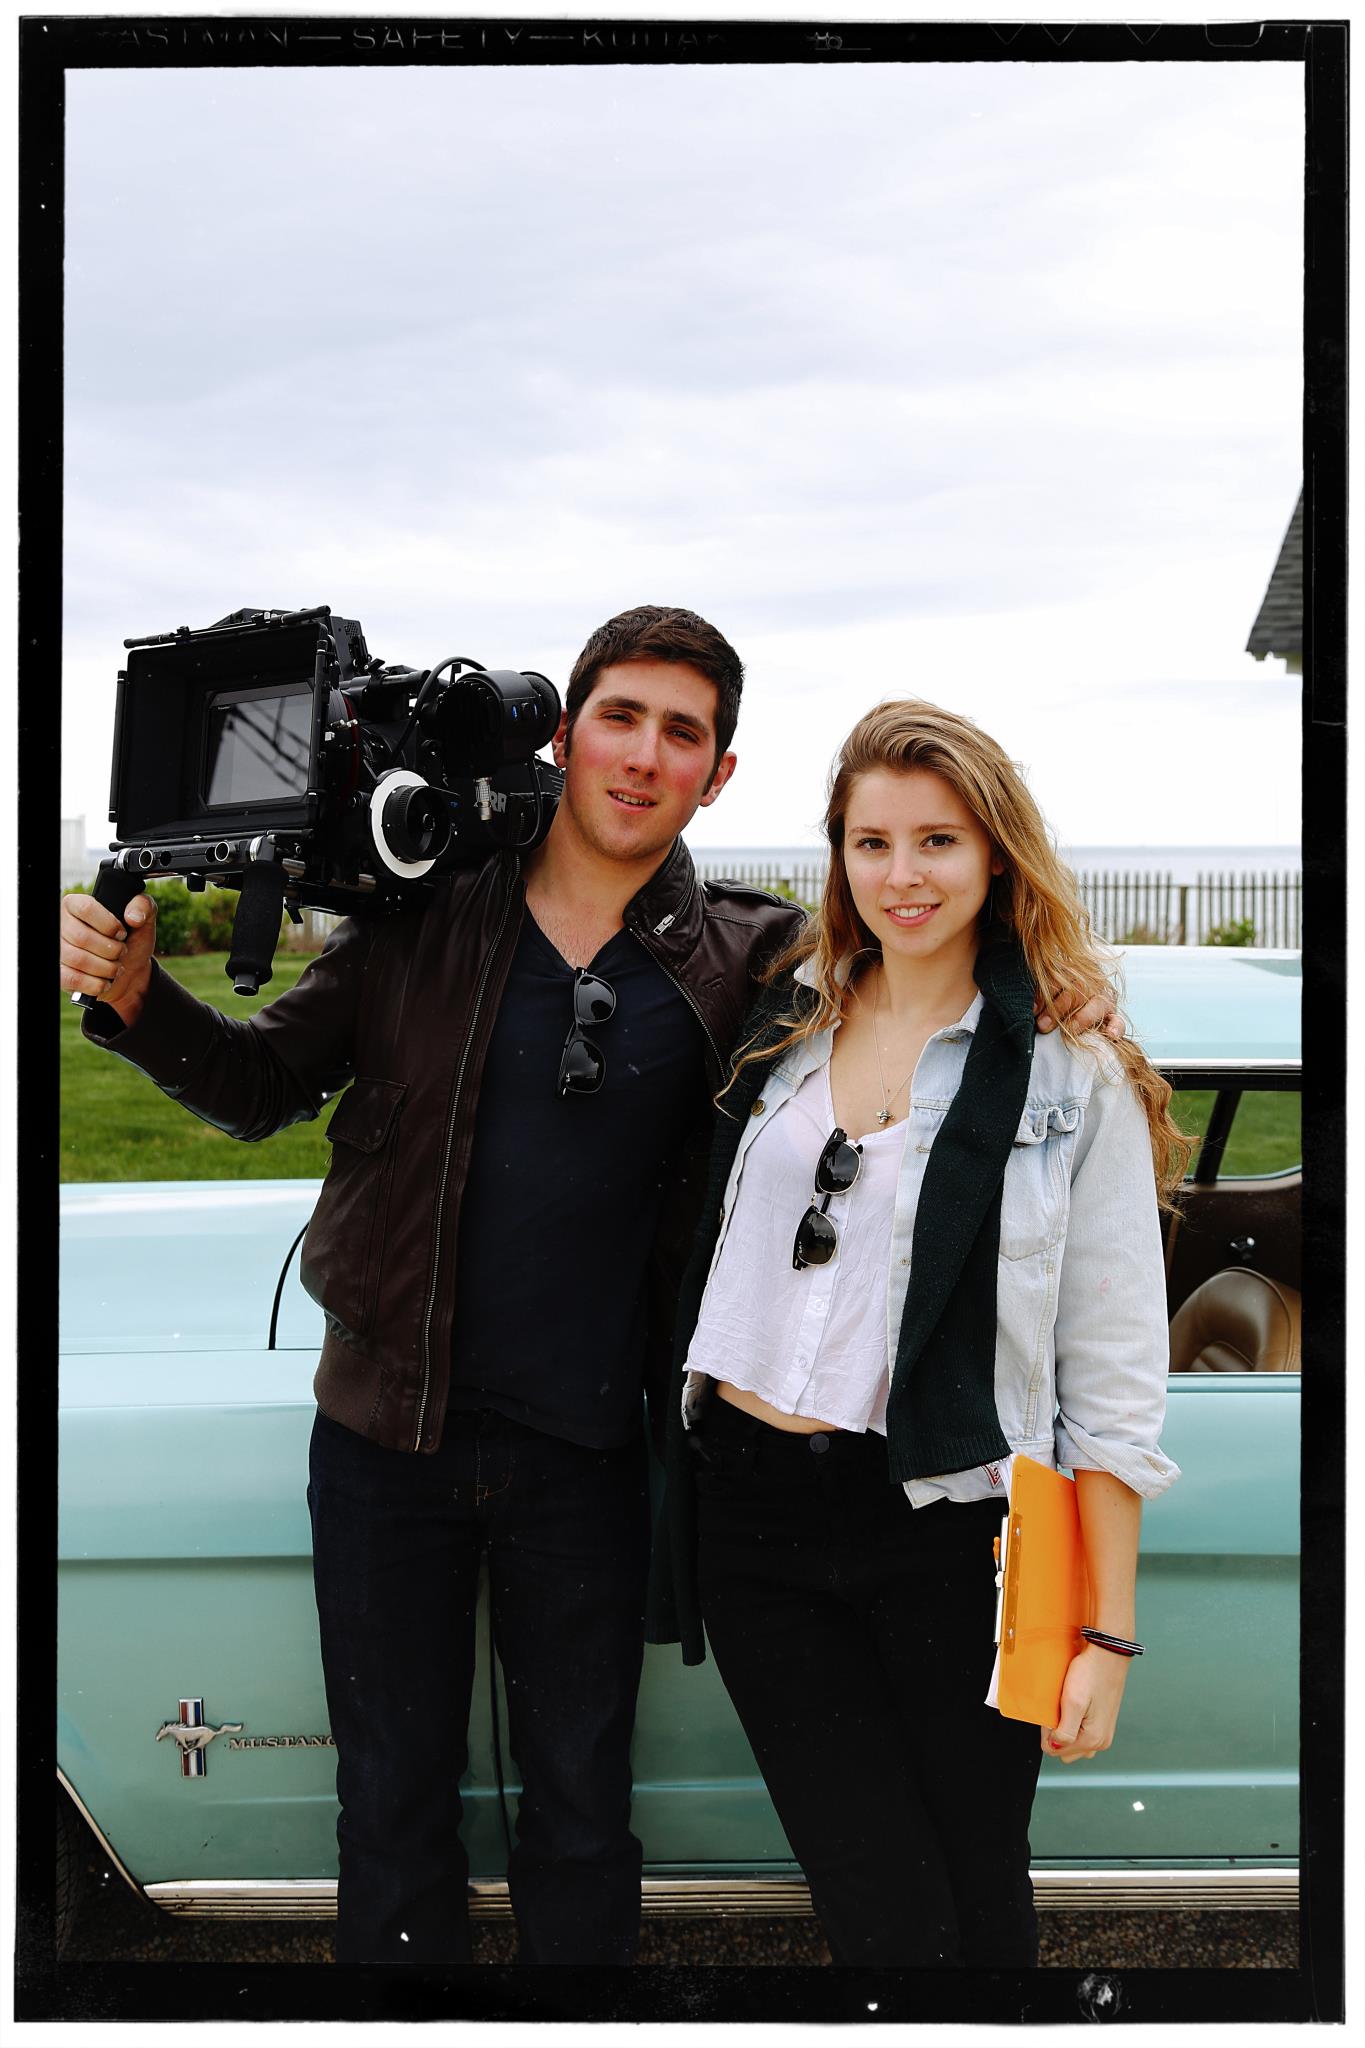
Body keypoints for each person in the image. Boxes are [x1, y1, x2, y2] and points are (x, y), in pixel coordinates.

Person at [59, 616, 1116, 1968]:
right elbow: (264, 1086)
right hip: (387, 1436)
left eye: (683, 733)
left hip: (594, 1454)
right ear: (565, 738)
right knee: (385, 1809)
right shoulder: (420, 908)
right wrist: (144, 1002)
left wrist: (1061, 998)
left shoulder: (749, 957)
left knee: (578, 1815)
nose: (643, 755)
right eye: (621, 717)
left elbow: (923, 988)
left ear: (717, 775)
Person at [651, 698, 1189, 1970]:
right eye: (872, 841)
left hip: (956, 1531)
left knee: (973, 1886)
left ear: (996, 854)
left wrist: (1105, 1632)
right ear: (837, 855)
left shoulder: (1070, 1075)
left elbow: (1110, 1374)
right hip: (753, 1516)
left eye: (939, 841)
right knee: (872, 1891)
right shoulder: (785, 1026)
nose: (903, 875)